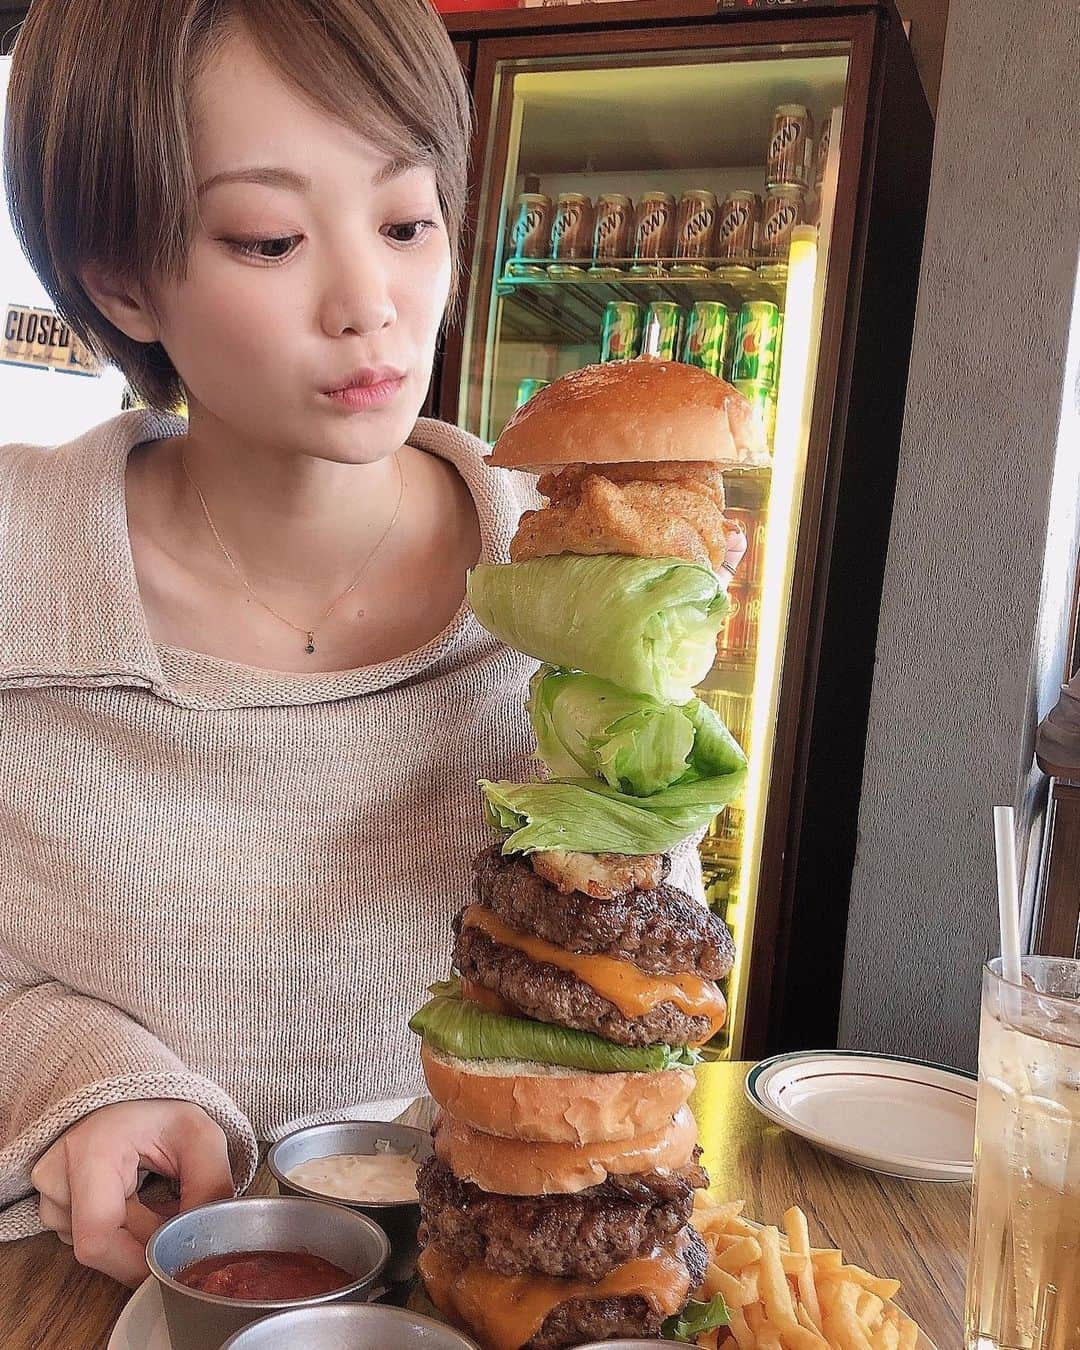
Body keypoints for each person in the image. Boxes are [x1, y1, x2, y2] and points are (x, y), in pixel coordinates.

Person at [0, 0, 708, 1289]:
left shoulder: (571, 590)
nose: (369, 302)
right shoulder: (18, 566)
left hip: (484, 1277)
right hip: (91, 1282)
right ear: (119, 279)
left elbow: (639, 992)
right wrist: (78, 1083)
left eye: (406, 223)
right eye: (269, 239)